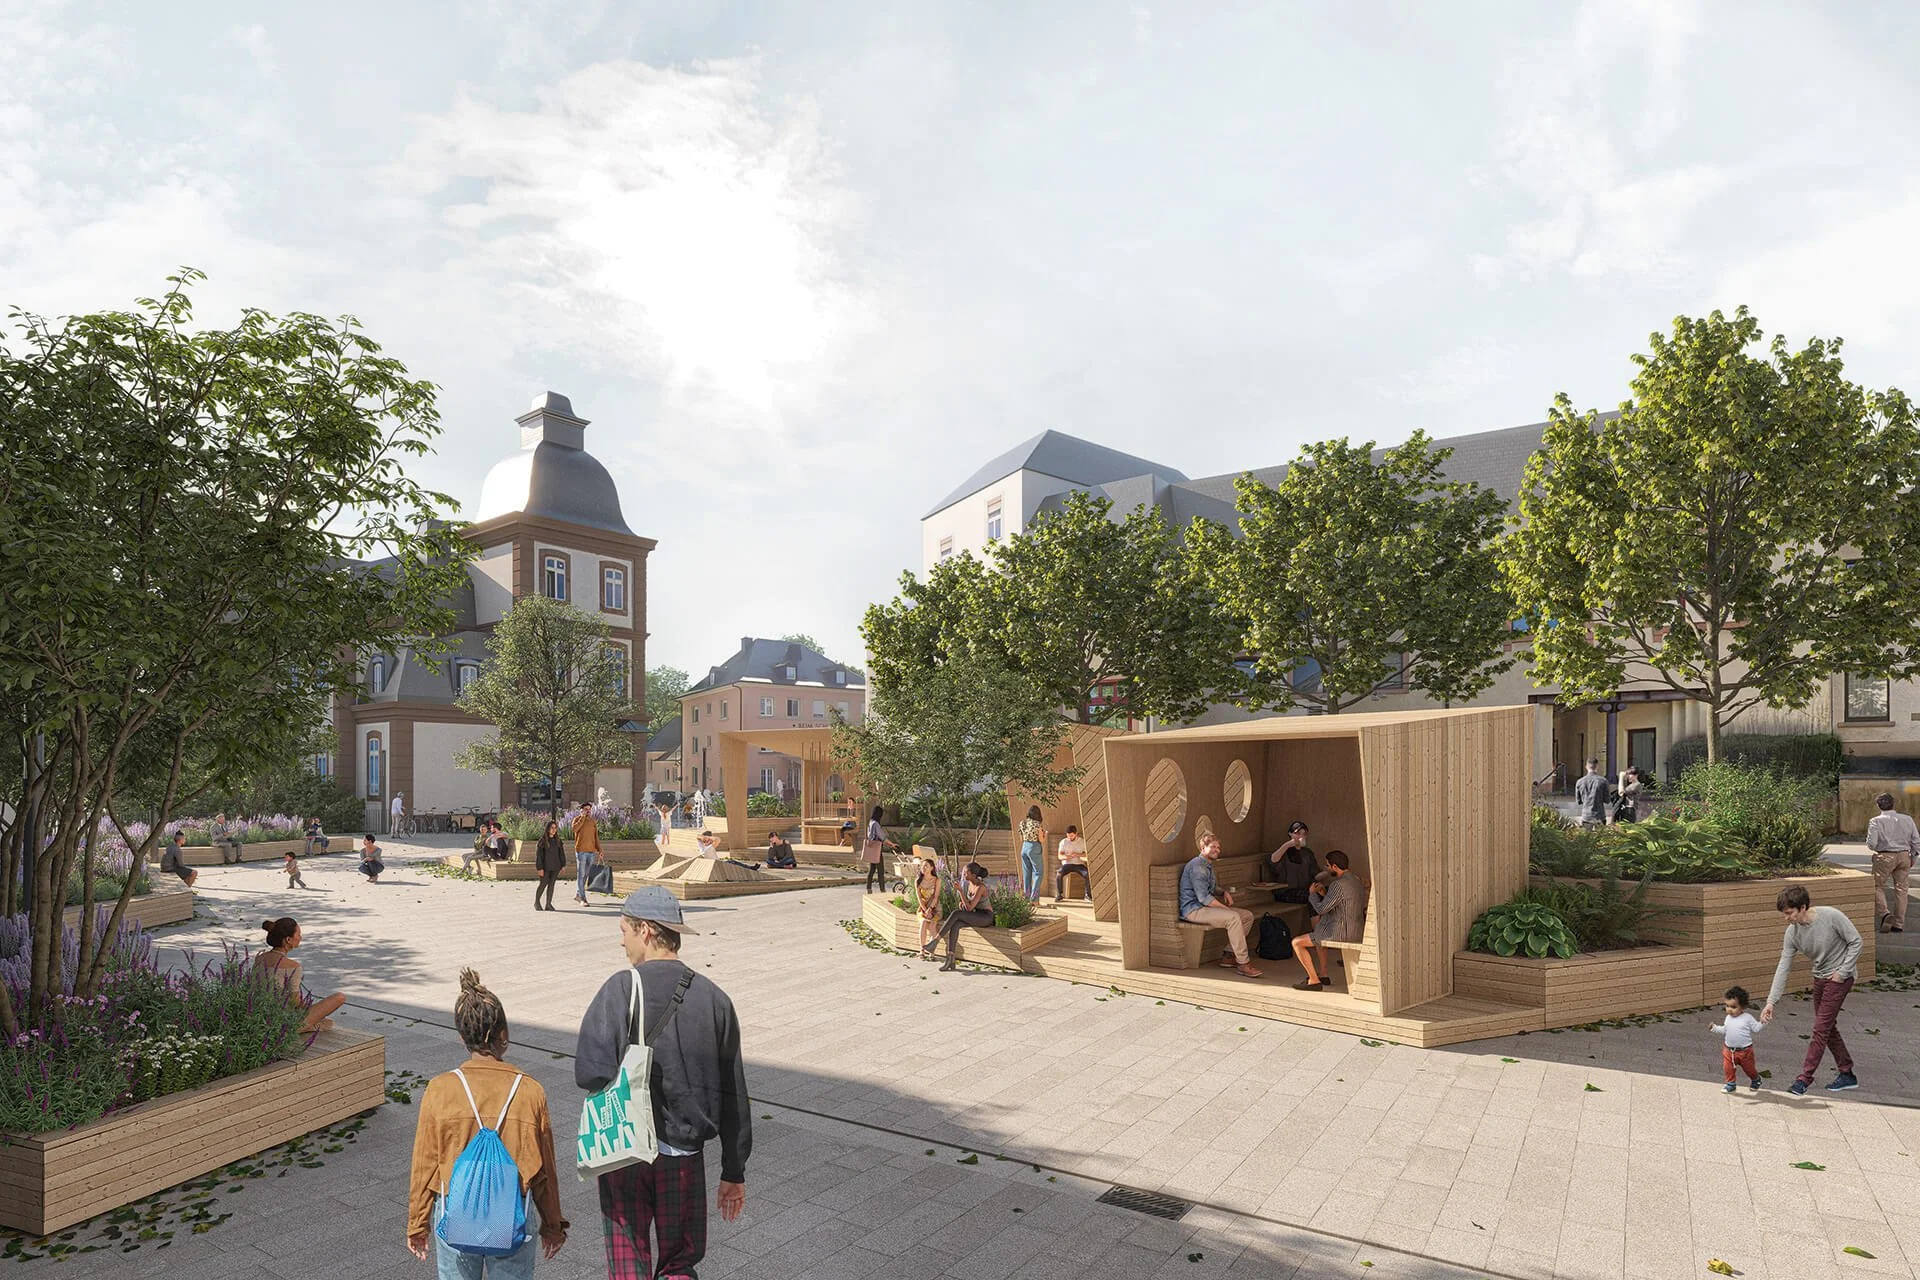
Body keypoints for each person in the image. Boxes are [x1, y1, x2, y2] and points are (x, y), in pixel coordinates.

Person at [575, 888, 751, 1280]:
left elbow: (589, 1072)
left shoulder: (621, 989)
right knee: (679, 1262)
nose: (622, 942)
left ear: (646, 930)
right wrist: (733, 1171)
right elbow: (734, 1095)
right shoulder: (715, 1000)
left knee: (628, 1260)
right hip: (684, 1155)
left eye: (624, 931)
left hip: (624, 1152)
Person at [407, 968, 569, 1273]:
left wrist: (418, 1222)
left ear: (462, 1037)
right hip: (513, 1215)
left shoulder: (440, 1089)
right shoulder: (529, 1090)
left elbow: (424, 1165)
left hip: (455, 1212)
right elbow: (544, 1170)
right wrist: (552, 1226)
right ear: (504, 1035)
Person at [1762, 885, 1864, 1095]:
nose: (1786, 918)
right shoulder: (1792, 933)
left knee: (1820, 1029)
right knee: (1827, 1027)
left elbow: (1856, 942)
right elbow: (1783, 966)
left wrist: (1842, 972)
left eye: (1789, 913)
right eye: (1784, 914)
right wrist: (1771, 1002)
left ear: (1803, 907)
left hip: (1839, 978)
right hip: (1819, 978)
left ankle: (1804, 1079)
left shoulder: (1831, 916)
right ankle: (1847, 1073)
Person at [1179, 833, 1261, 979]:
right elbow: (1204, 898)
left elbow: (1212, 887)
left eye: (1218, 847)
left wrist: (1223, 892)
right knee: (1233, 917)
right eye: (1213, 847)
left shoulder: (1208, 865)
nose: (1216, 850)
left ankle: (1229, 955)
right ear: (1202, 848)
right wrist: (1225, 909)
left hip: (1204, 908)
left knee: (1247, 916)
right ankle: (1243, 963)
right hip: (1193, 910)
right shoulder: (1198, 867)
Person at [255, 917, 346, 1033]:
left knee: (325, 1022)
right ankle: (307, 1027)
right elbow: (295, 1002)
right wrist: (313, 1011)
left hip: (258, 1017)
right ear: (288, 939)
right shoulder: (293, 966)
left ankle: (312, 1025)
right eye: (298, 934)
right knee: (339, 998)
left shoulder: (260, 958)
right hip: (282, 1023)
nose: (300, 938)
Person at [1291, 850, 1366, 992]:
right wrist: (1324, 894)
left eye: (1327, 865)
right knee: (1319, 936)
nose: (1326, 868)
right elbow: (1342, 904)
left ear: (1335, 867)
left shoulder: (1337, 885)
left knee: (1297, 942)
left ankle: (1313, 980)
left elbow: (1321, 909)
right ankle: (1323, 974)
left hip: (1340, 933)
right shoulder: (1356, 881)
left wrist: (1312, 894)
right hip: (1356, 931)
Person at [1865, 791, 1918, 933]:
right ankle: (1898, 924)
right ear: (1894, 804)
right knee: (1901, 890)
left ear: (1878, 805)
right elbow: (1916, 841)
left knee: (1876, 886)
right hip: (1904, 856)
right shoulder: (1907, 819)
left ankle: (1885, 914)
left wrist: (1878, 849)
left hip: (1885, 856)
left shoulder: (1875, 821)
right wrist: (1913, 857)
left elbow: (1872, 844)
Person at [928, 862, 994, 971]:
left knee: (956, 913)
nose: (963, 874)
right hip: (976, 913)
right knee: (956, 925)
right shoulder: (970, 884)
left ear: (973, 875)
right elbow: (969, 904)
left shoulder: (980, 887)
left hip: (985, 917)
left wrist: (960, 891)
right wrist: (962, 903)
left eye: (966, 872)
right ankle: (950, 960)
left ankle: (935, 941)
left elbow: (969, 908)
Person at [1712, 985, 1764, 1094]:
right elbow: (1725, 1030)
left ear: (1743, 1007)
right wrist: (1715, 1028)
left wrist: (1764, 1021)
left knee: (1749, 1069)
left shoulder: (1747, 1018)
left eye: (1733, 1007)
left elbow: (1756, 1028)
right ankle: (1731, 1084)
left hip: (1745, 1052)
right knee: (1728, 1068)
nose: (1729, 1009)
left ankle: (1756, 1079)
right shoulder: (1728, 1018)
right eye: (1727, 1006)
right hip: (1729, 1050)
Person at [1261, 821, 1320, 903]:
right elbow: (1273, 860)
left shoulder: (1307, 853)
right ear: (1290, 834)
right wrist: (1288, 844)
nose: (1301, 836)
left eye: (1304, 834)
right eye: (1298, 833)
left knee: (1324, 893)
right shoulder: (1283, 851)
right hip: (1285, 892)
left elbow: (1315, 872)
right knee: (1312, 896)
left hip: (1304, 889)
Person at [572, 802, 601, 906]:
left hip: (591, 852)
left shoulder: (593, 821)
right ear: (582, 810)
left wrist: (600, 850)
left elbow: (596, 837)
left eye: (589, 809)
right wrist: (582, 818)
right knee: (581, 874)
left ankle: (578, 894)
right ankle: (583, 899)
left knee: (586, 875)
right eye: (586, 809)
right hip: (581, 852)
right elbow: (574, 829)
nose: (588, 811)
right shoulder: (577, 819)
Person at [863, 806, 897, 895]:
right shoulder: (876, 824)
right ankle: (882, 890)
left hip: (871, 848)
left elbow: (871, 836)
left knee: (872, 870)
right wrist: (892, 844)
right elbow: (882, 837)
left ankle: (869, 888)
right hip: (877, 849)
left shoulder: (870, 822)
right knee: (880, 870)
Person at [1017, 806, 1047, 902]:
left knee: (1026, 874)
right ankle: (1034, 900)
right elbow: (1041, 840)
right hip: (1034, 848)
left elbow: (1021, 839)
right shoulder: (1037, 824)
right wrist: (1045, 835)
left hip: (1024, 847)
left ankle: (1026, 898)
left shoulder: (1022, 823)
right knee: (1038, 873)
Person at [534, 820, 565, 912]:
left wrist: (563, 865)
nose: (554, 830)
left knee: (551, 885)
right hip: (545, 867)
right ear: (548, 829)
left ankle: (548, 904)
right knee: (543, 884)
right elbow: (539, 856)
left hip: (555, 866)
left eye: (555, 828)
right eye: (552, 828)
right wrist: (539, 868)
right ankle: (537, 902)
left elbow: (561, 854)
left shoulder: (558, 840)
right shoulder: (542, 841)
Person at [914, 857, 942, 956]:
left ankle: (931, 951)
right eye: (922, 866)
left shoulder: (937, 880)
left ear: (932, 868)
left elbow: (936, 897)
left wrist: (930, 910)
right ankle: (921, 950)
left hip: (935, 908)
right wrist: (925, 910)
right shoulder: (918, 881)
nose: (923, 868)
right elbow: (919, 898)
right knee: (923, 923)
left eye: (926, 866)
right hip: (923, 908)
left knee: (932, 926)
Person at [1573, 759, 1612, 829]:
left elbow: (1578, 801)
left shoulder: (1579, 782)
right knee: (1600, 835)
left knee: (1586, 835)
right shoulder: (1603, 781)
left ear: (1586, 767)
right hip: (1600, 815)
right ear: (1597, 766)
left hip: (1586, 815)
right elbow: (1607, 800)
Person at [1054, 825, 1089, 902]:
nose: (1070, 837)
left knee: (1087, 874)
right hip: (1067, 864)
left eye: (1072, 836)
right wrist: (1066, 857)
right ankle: (1059, 895)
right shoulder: (1063, 842)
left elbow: (1086, 854)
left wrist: (1077, 854)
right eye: (1068, 836)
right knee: (1059, 873)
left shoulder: (1082, 842)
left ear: (1076, 833)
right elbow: (1060, 856)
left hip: (1079, 864)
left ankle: (1087, 895)